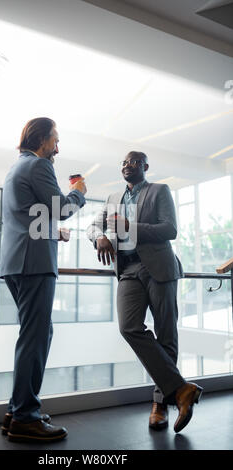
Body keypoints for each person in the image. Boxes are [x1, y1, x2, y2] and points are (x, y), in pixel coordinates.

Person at [87, 150, 202, 433]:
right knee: (129, 327)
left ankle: (160, 404)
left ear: (145, 167)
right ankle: (181, 389)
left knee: (166, 334)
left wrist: (131, 227)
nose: (128, 165)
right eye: (124, 162)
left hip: (158, 268)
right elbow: (91, 226)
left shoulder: (159, 191)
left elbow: (170, 229)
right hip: (127, 269)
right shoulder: (113, 199)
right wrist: (99, 236)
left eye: (134, 162)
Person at [0, 117, 86, 443]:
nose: (57, 148)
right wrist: (77, 193)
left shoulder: (16, 167)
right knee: (34, 338)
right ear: (42, 139)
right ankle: (24, 417)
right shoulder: (38, 166)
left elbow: (27, 214)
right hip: (33, 263)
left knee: (36, 334)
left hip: (17, 261)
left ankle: (17, 409)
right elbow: (61, 207)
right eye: (55, 140)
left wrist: (52, 230)